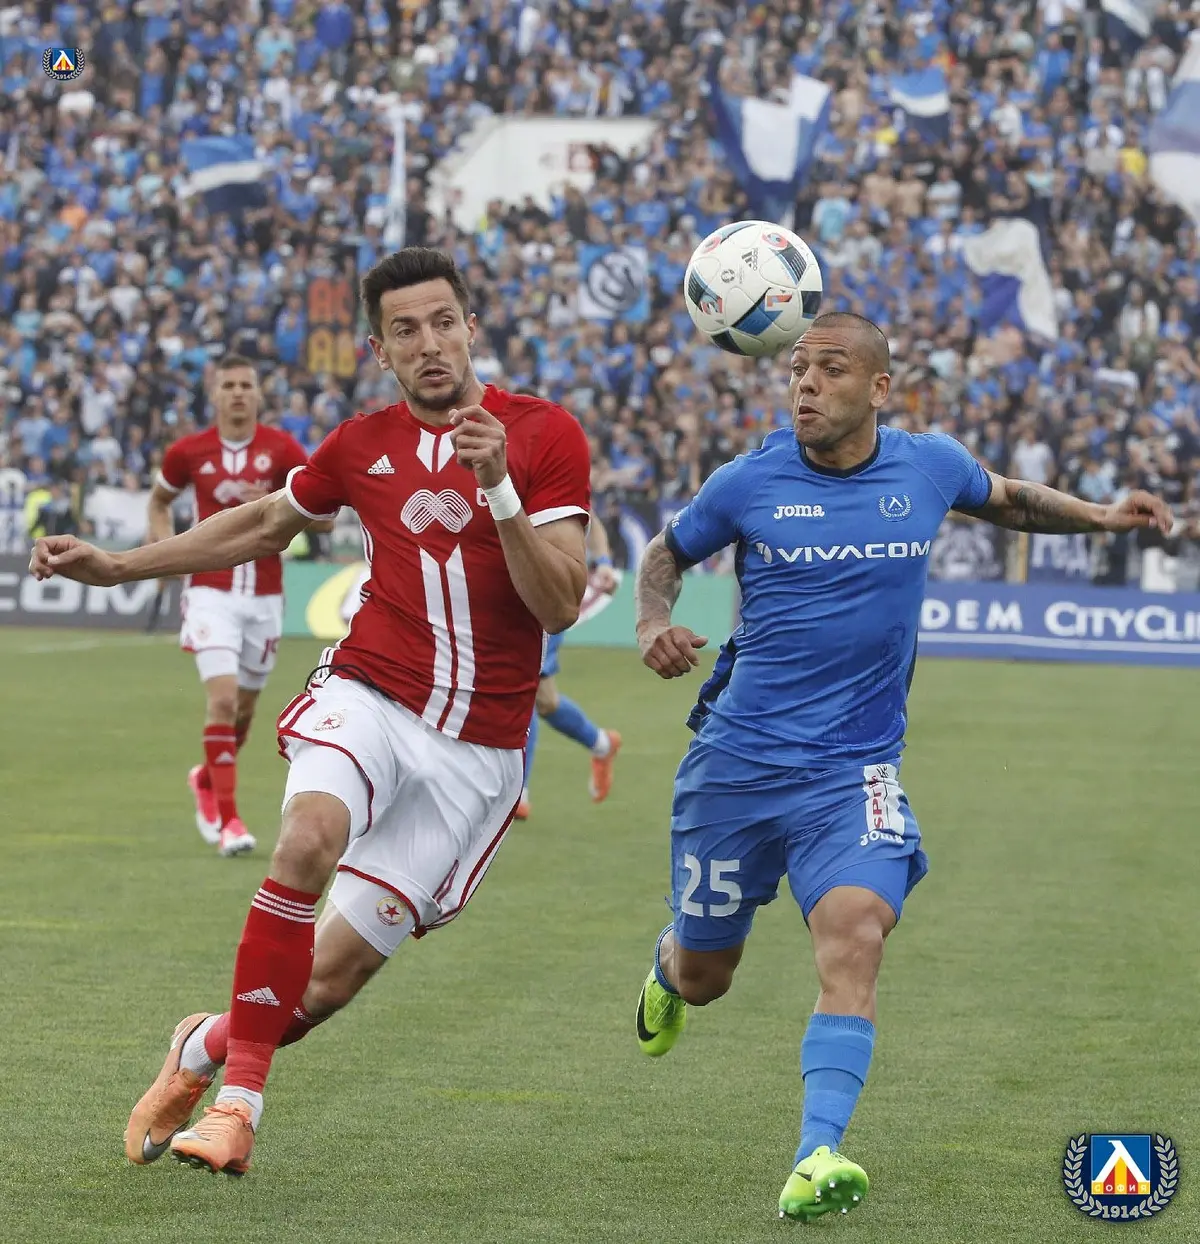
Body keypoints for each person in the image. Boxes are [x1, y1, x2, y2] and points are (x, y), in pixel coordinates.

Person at [30, 247, 592, 1177]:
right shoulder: (359, 445)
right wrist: (122, 564)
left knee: (319, 990)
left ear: (471, 328)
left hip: (478, 750)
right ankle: (237, 1111)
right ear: (379, 349)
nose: (428, 344)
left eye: (442, 322)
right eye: (404, 330)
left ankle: (203, 1048)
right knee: (305, 840)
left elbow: (560, 604)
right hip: (372, 691)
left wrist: (498, 488)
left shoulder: (544, 434)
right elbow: (264, 522)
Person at [629, 312, 1172, 1222]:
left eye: (830, 369)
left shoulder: (928, 466)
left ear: (879, 389)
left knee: (856, 935)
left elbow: (1012, 501)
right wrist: (651, 623)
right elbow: (664, 554)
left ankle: (816, 1155)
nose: (805, 385)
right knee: (704, 978)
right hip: (736, 769)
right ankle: (668, 960)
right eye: (797, 369)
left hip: (855, 771)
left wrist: (1103, 516)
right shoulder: (749, 481)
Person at [146, 354, 325, 856]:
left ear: (259, 393)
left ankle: (206, 778)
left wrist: (277, 502)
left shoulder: (282, 449)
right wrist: (166, 550)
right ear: (215, 394)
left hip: (265, 596)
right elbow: (159, 501)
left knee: (243, 711)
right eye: (229, 386)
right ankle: (229, 821)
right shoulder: (188, 452)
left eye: (246, 385)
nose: (238, 393)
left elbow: (326, 515)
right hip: (209, 591)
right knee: (222, 701)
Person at [516, 509, 622, 820]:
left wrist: (603, 561)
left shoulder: (553, 479)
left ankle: (519, 792)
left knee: (529, 688)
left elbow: (590, 517)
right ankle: (602, 744)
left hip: (550, 592)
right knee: (546, 700)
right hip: (516, 585)